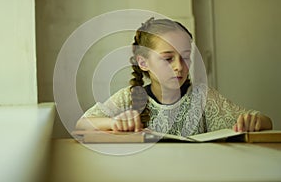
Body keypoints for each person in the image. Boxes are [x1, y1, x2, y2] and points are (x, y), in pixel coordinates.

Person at [75, 17, 272, 136]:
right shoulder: (128, 97)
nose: (179, 66)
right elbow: (82, 124)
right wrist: (113, 123)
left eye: (185, 57)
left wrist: (256, 121)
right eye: (168, 59)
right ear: (143, 62)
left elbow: (265, 121)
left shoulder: (203, 98)